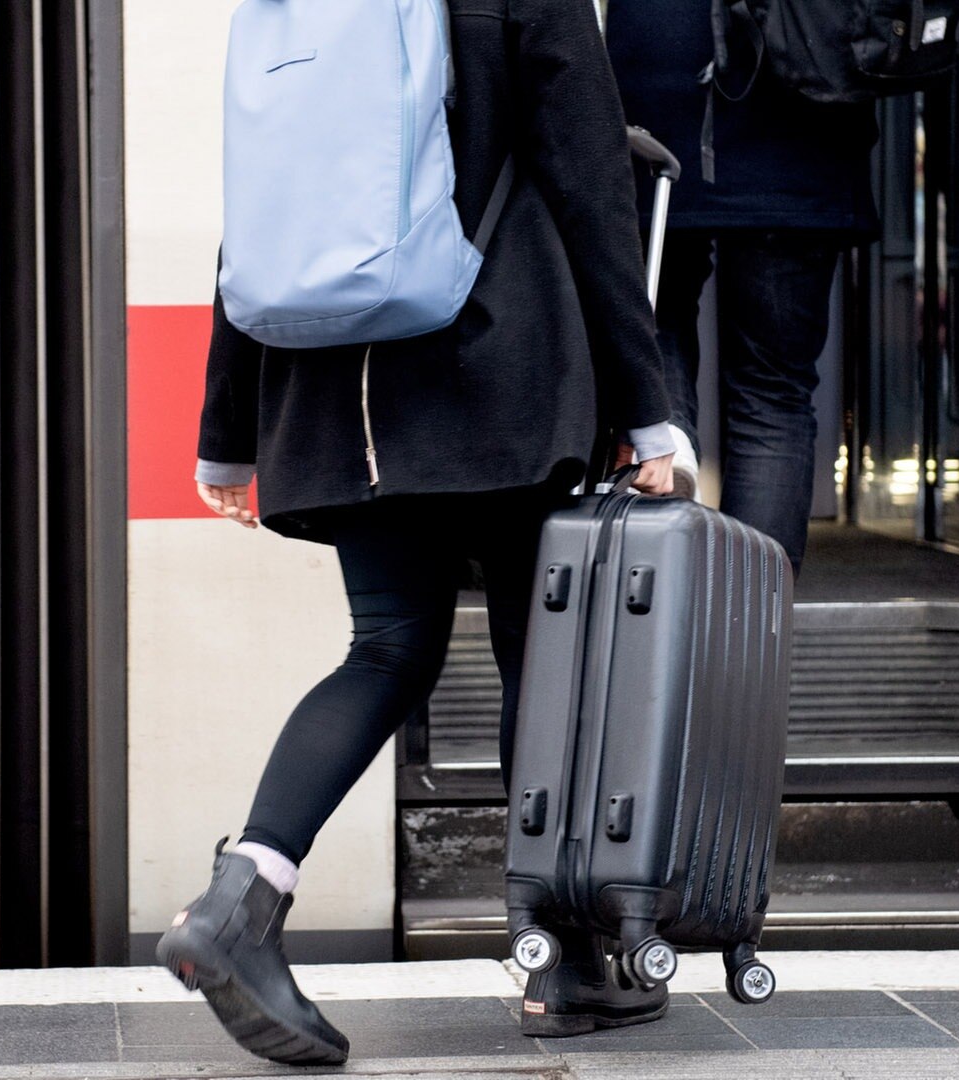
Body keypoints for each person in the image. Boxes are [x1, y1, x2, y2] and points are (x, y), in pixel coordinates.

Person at [155, 0, 678, 1065]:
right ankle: (562, 964)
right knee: (548, 654)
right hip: (496, 369)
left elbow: (262, 205)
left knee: (389, 649)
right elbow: (589, 182)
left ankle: (239, 900)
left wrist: (227, 430)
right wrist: (646, 405)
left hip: (331, 391)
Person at [606, 1, 879, 573]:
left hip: (656, 115)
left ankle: (669, 453)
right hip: (803, 128)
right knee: (773, 394)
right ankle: (750, 624)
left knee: (659, 326)